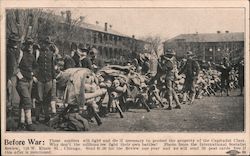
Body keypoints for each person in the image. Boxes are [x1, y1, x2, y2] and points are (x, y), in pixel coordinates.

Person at [16, 37, 38, 130]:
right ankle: (29, 123)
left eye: (31, 44)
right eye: (28, 44)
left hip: (30, 81)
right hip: (22, 81)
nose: (29, 46)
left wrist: (33, 74)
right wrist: (19, 75)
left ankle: (21, 122)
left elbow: (36, 67)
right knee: (27, 100)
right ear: (25, 45)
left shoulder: (32, 56)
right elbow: (15, 66)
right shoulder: (20, 54)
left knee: (23, 101)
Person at [35, 36, 56, 123]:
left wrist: (54, 78)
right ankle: (36, 117)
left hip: (49, 79)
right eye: (45, 44)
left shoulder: (51, 54)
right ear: (42, 44)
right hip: (40, 79)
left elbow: (52, 67)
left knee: (47, 98)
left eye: (48, 44)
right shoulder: (38, 53)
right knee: (39, 98)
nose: (46, 45)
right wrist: (35, 76)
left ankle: (46, 116)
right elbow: (34, 65)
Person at [6, 33, 21, 109]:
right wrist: (8, 77)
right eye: (14, 42)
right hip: (8, 75)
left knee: (12, 92)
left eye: (16, 42)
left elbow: (16, 63)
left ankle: (10, 107)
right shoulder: (7, 50)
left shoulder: (16, 51)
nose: (16, 44)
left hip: (14, 75)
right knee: (8, 92)